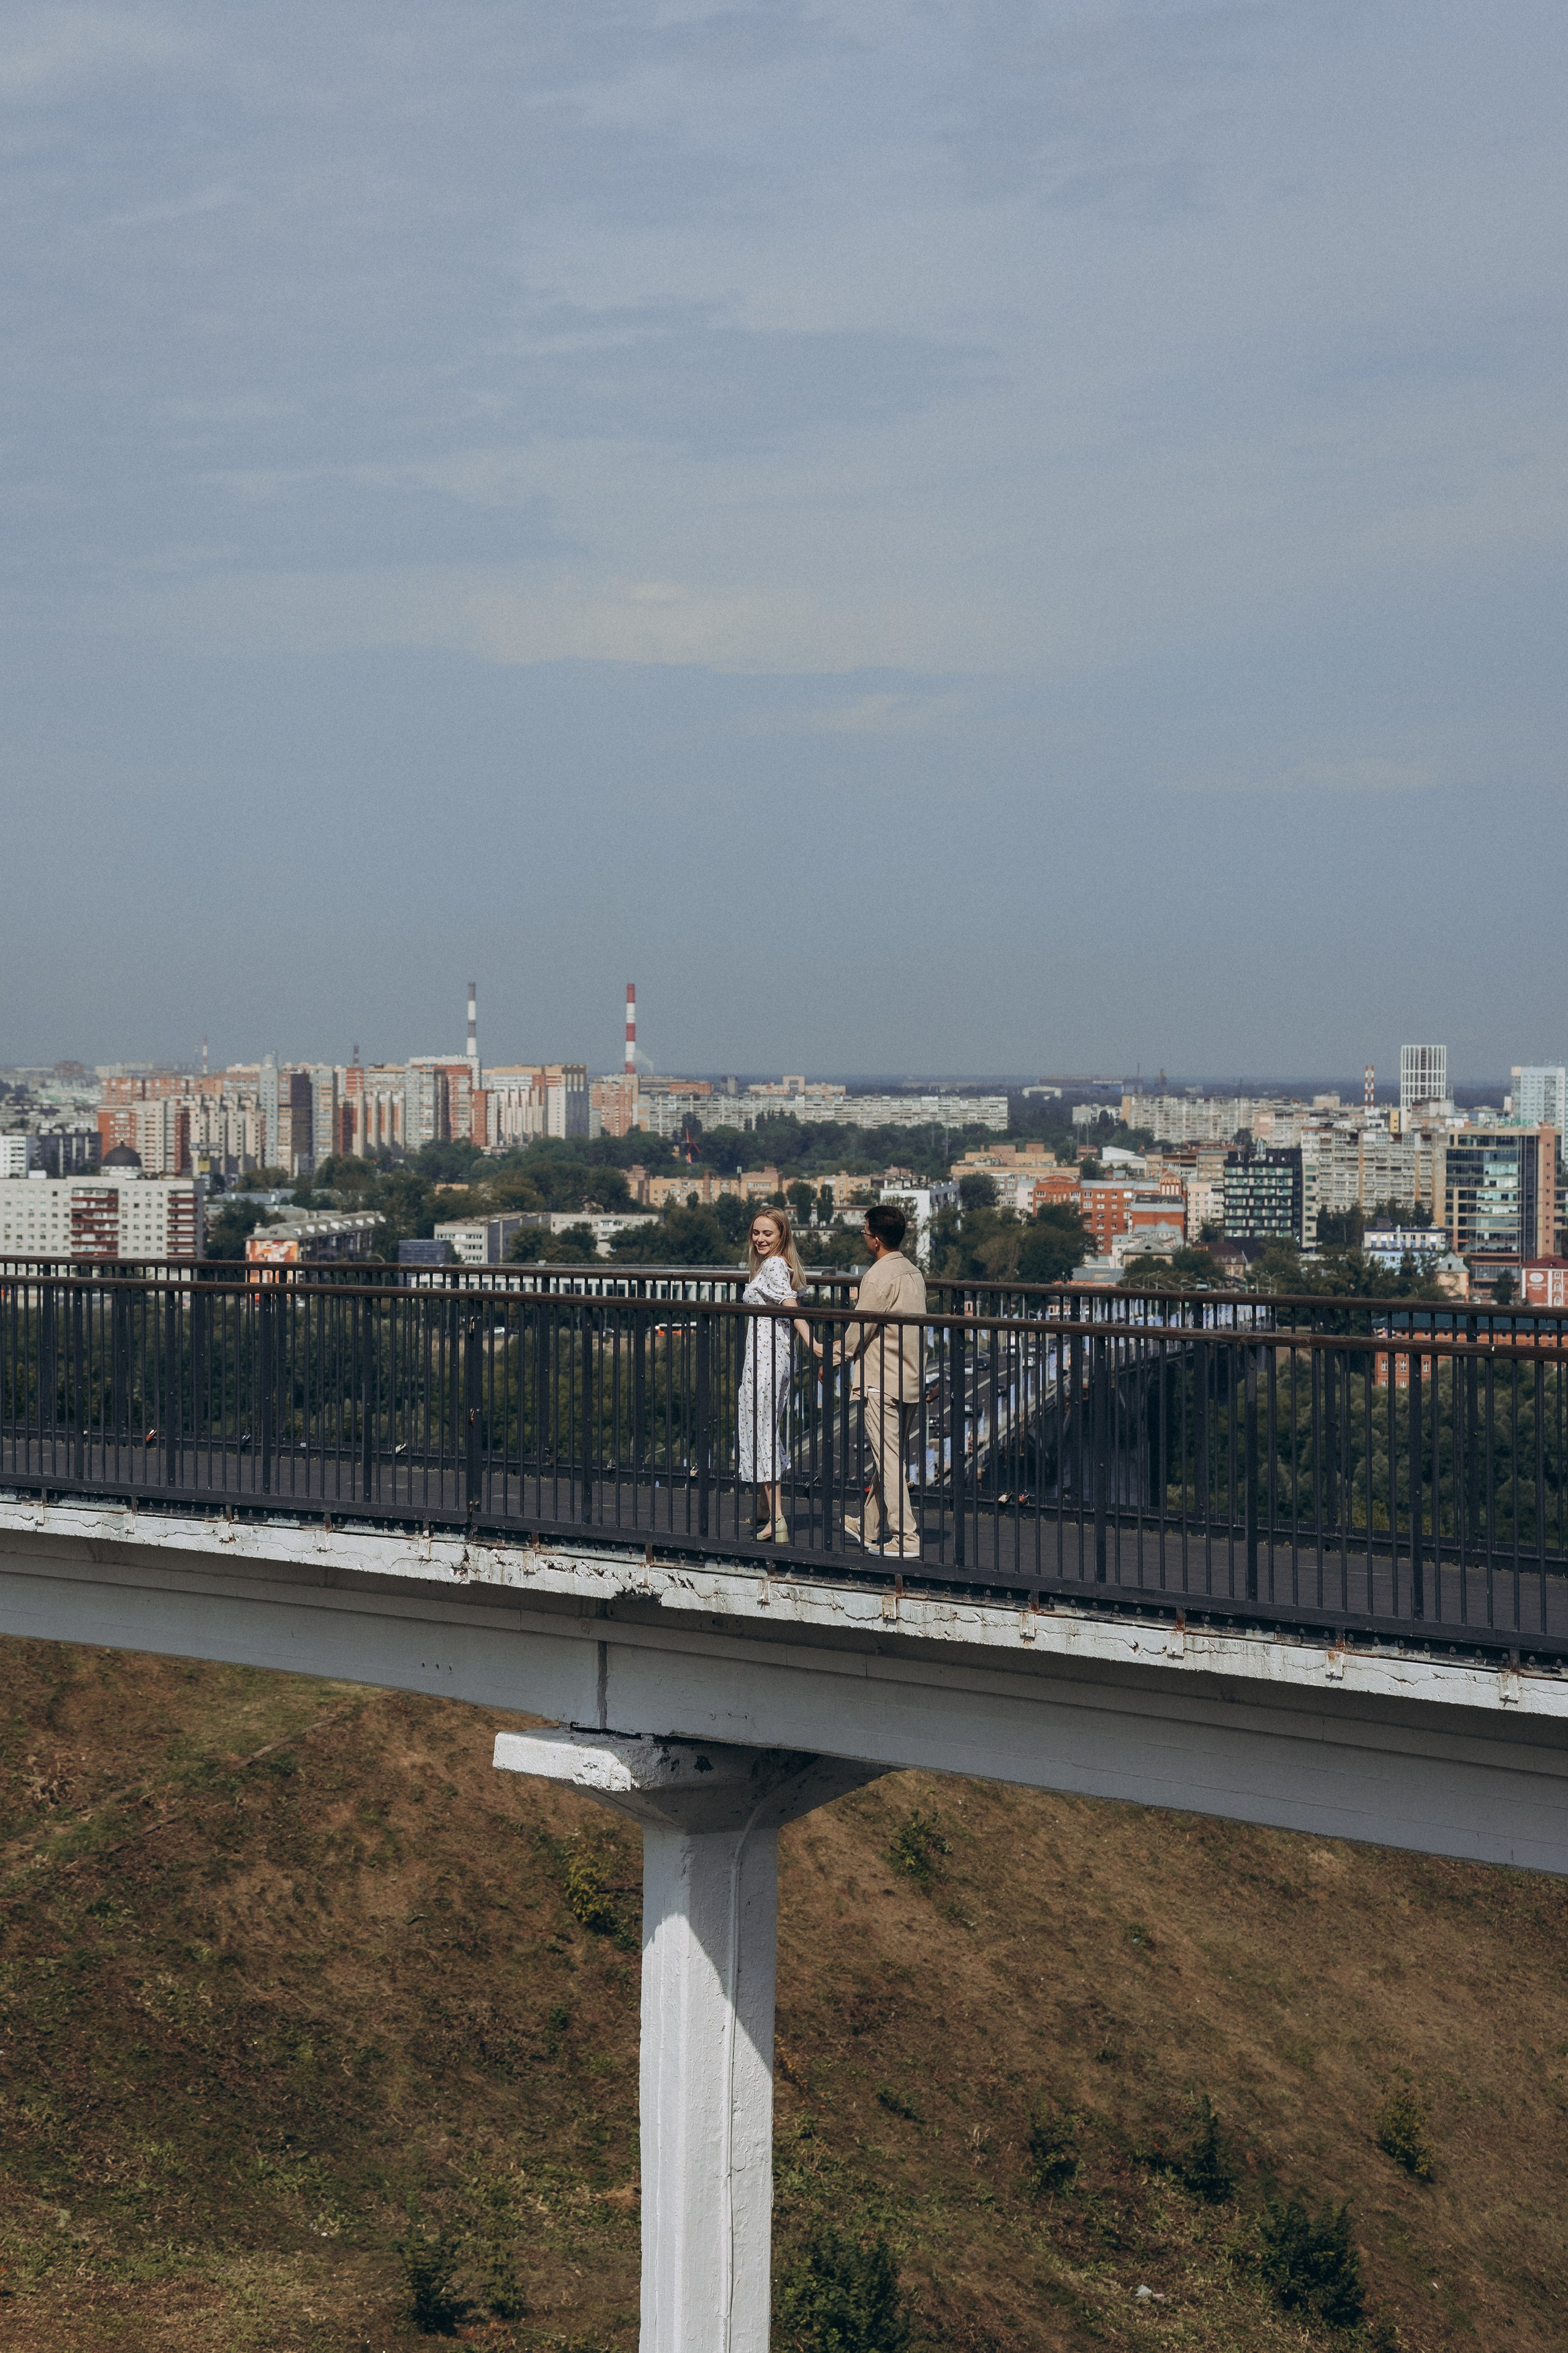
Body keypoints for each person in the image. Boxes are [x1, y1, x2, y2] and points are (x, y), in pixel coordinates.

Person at [816, 1201, 927, 1557]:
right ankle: (868, 1525)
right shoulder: (913, 1272)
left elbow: (858, 1331)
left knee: (889, 1460)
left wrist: (832, 1358)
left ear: (876, 1239)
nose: (864, 1238)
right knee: (890, 1457)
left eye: (865, 1232)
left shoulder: (877, 1277)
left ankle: (906, 1538)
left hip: (881, 1380)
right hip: (910, 1377)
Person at [737, 1207, 810, 1541]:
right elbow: (790, 1303)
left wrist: (812, 1341)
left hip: (764, 1361)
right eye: (756, 1233)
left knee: (761, 1431)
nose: (760, 1239)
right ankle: (766, 1508)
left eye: (768, 1233)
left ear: (782, 1235)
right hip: (774, 1357)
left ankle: (777, 1519)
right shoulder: (782, 1265)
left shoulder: (774, 1265)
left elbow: (790, 1305)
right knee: (764, 1427)